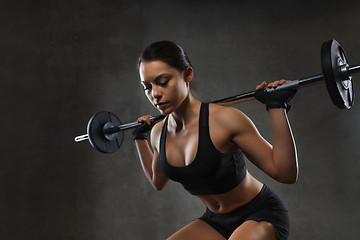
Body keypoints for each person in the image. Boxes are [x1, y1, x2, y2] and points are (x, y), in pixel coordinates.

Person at [133, 40, 298, 240]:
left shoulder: (225, 120)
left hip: (259, 214)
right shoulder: (158, 132)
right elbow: (157, 181)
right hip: (215, 222)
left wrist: (276, 107)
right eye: (147, 87)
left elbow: (285, 173)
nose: (155, 94)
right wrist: (139, 137)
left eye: (163, 82)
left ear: (187, 74)